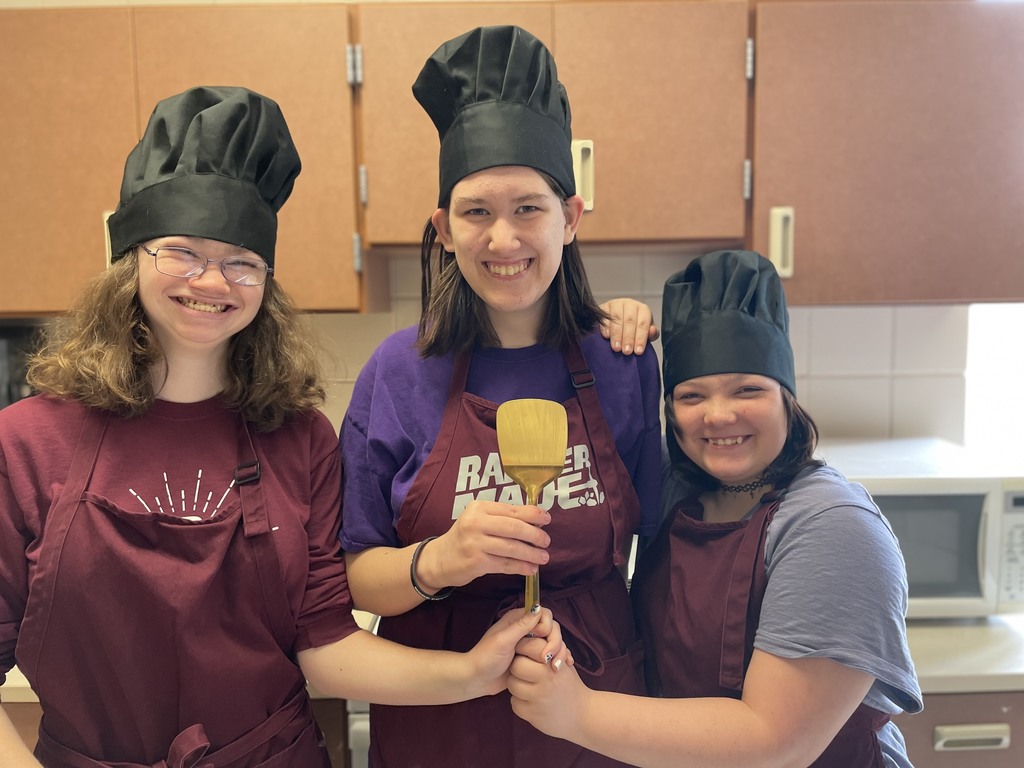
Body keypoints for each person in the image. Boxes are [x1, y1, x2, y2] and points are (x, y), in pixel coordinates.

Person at [0, 85, 571, 768]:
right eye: (181, 251)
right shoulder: (26, 442)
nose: (212, 281)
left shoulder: (298, 438)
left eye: (242, 261)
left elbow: (326, 648)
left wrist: (474, 672)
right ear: (131, 259)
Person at [338, 25, 663, 768]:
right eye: (476, 211)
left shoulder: (623, 362)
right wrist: (438, 562)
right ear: (443, 230)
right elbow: (356, 575)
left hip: (595, 705)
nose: (503, 237)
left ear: (571, 218)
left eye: (529, 208)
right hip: (437, 716)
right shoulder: (397, 371)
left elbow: (660, 546)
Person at [509, 250, 924, 767]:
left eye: (748, 389)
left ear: (786, 398)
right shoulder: (675, 486)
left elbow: (776, 742)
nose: (719, 415)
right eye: (692, 396)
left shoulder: (832, 528)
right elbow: (592, 431)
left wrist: (576, 711)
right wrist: (605, 338)